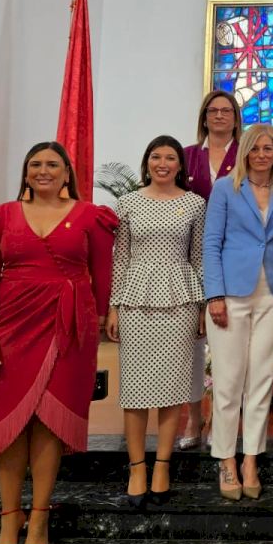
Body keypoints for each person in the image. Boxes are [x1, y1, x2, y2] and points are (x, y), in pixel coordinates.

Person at [0, 141, 117, 544]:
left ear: (67, 173)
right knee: (10, 422)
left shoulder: (91, 216)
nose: (43, 170)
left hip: (69, 328)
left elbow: (103, 274)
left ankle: (38, 517)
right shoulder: (1, 215)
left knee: (50, 422)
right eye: (35, 164)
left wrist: (104, 321)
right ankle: (9, 517)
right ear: (25, 172)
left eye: (53, 164)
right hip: (11, 326)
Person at [203, 123, 273, 500]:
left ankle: (250, 459)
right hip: (231, 293)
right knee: (229, 381)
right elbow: (211, 244)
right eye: (256, 148)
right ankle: (225, 459)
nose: (262, 155)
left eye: (269, 148)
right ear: (245, 151)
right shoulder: (225, 189)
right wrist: (214, 295)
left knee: (261, 380)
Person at [107, 135, 206, 508]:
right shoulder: (128, 203)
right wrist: (114, 306)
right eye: (155, 157)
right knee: (135, 389)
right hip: (136, 299)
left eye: (170, 158)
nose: (162, 163)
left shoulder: (195, 204)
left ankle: (162, 465)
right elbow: (120, 257)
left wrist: (201, 306)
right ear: (146, 162)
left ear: (180, 165)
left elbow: (198, 257)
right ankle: (136, 468)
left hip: (180, 299)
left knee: (173, 387)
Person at [179, 89, 242, 451]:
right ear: (204, 117)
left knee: (228, 343)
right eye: (213, 110)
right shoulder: (188, 156)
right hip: (189, 256)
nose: (219, 116)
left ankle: (223, 417)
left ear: (235, 118)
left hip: (232, 256)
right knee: (193, 343)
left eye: (226, 110)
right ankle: (193, 416)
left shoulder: (246, 155)